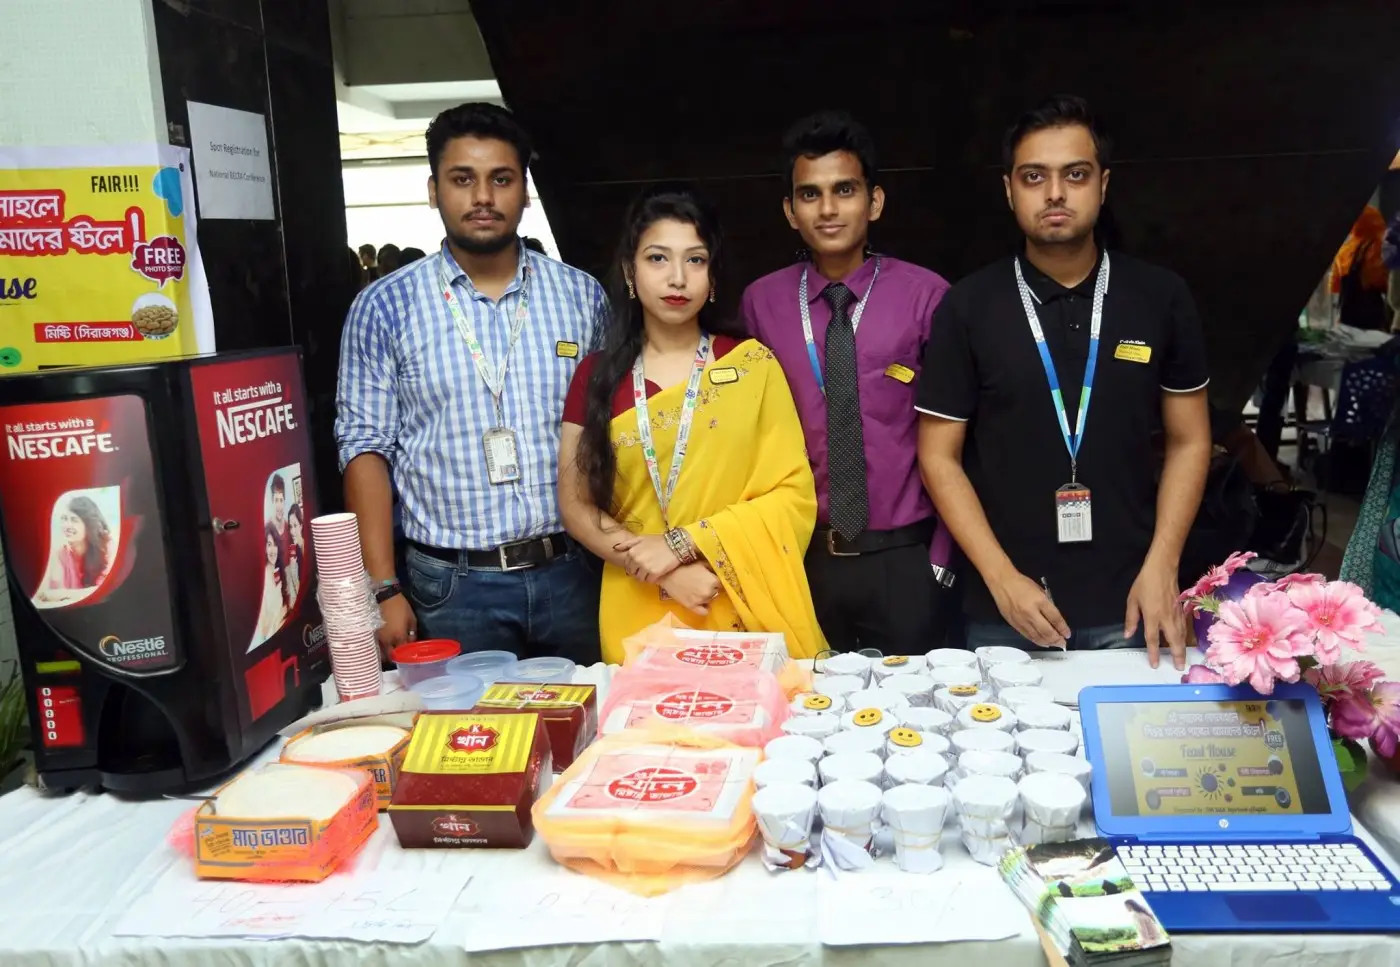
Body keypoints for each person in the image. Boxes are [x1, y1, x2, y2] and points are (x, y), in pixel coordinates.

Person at [916, 95, 1211, 669]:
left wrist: (1163, 565)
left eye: (1075, 174)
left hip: (1135, 602)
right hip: (1007, 611)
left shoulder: (1159, 297)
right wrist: (1000, 578)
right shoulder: (968, 306)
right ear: (1009, 190)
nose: (1055, 193)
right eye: (1034, 177)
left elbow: (1190, 440)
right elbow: (938, 456)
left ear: (1103, 184)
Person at [337, 102, 607, 660]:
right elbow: (364, 448)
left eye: (501, 179)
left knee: (593, 712)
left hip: (574, 572)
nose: (483, 197)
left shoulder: (582, 297)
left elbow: (613, 427)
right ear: (433, 190)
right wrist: (382, 587)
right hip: (453, 586)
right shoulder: (384, 307)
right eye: (463, 179)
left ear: (525, 192)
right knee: (466, 719)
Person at [558, 185, 825, 662]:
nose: (677, 277)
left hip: (732, 594)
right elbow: (576, 504)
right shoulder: (596, 377)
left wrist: (684, 544)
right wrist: (662, 568)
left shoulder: (751, 366)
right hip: (636, 600)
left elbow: (792, 496)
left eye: (696, 260)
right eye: (658, 258)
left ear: (713, 276)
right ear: (630, 272)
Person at [741, 111, 958, 654]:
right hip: (801, 558)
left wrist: (939, 561)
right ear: (790, 211)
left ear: (874, 201)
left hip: (905, 560)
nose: (828, 209)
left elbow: (961, 434)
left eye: (844, 190)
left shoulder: (926, 296)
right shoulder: (761, 303)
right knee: (805, 700)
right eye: (810, 195)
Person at [36, 495, 112, 604]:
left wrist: (63, 594)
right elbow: (42, 596)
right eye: (64, 519)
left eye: (74, 520)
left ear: (89, 524)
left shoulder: (106, 547)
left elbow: (105, 592)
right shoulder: (59, 553)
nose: (67, 525)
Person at [253, 522, 289, 647]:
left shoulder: (279, 571)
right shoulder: (262, 580)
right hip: (269, 641)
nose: (273, 550)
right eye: (269, 544)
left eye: (275, 545)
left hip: (283, 635)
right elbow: (263, 629)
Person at [285, 502, 305, 602]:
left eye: (295, 525)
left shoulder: (309, 546)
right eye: (290, 526)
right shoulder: (295, 551)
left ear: (301, 525)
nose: (292, 532)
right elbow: (299, 593)